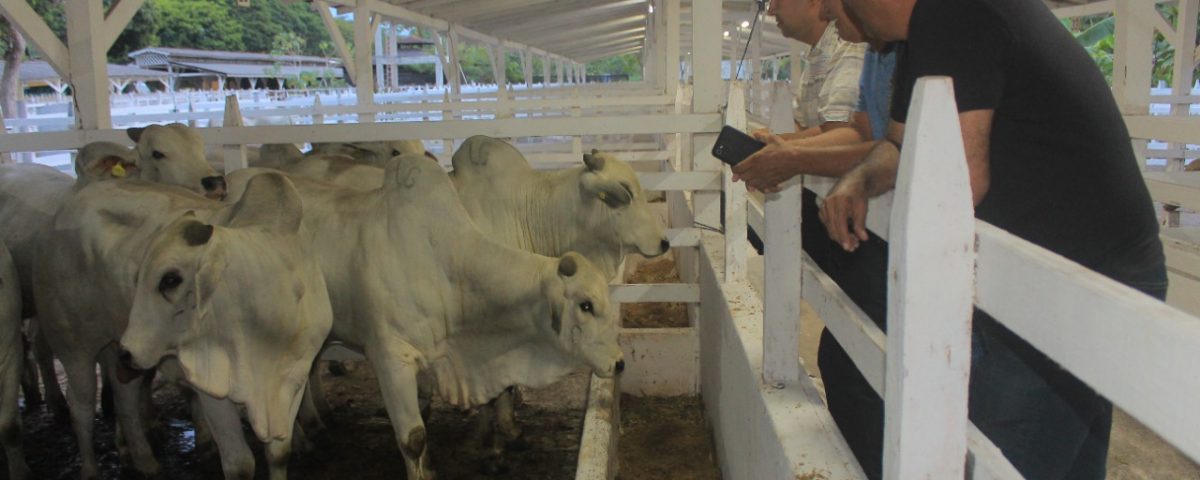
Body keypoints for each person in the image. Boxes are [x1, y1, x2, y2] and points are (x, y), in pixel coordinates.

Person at [821, 0, 1167, 478]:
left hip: (1066, 290)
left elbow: (959, 178)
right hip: (1095, 269)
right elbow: (900, 146)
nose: (839, 13)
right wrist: (858, 180)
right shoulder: (925, 35)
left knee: (998, 456)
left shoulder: (952, 14)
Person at [734, 2, 897, 477]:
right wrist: (787, 149)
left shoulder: (860, 47)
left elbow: (858, 134)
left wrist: (791, 155)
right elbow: (866, 133)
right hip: (864, 212)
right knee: (847, 349)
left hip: (881, 223)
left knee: (855, 360)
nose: (773, 10)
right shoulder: (862, 50)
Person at [767, 0, 866, 140]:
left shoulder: (850, 45)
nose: (770, 10)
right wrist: (762, 138)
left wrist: (777, 145)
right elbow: (802, 125)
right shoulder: (817, 55)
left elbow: (840, 132)